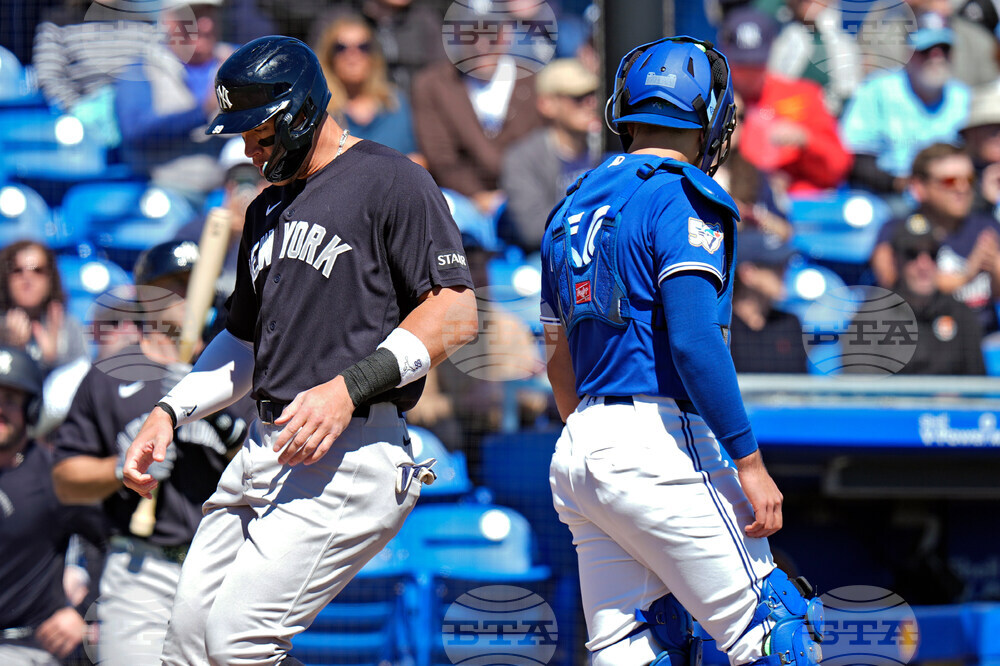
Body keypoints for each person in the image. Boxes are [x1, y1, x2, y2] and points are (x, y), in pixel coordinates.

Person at [121, 36, 477, 665]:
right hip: (265, 447)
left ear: (300, 112)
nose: (248, 151)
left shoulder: (392, 179)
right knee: (188, 646)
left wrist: (347, 388)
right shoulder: (265, 209)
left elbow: (456, 313)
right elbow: (243, 340)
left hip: (352, 448)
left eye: (258, 135)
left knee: (238, 643)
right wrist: (170, 411)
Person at [541, 36, 823, 665]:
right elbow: (695, 342)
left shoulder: (570, 203)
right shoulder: (683, 192)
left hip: (580, 445)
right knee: (779, 635)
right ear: (710, 118)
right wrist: (749, 462)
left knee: (635, 653)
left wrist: (598, 439)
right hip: (658, 442)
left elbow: (557, 359)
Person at [49, 246, 250, 666]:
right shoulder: (110, 374)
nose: (189, 294)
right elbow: (65, 480)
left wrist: (218, 418)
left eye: (196, 283)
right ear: (145, 294)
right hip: (142, 569)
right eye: (175, 284)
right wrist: (120, 465)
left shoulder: (235, 372)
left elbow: (269, 462)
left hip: (225, 566)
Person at [0, 346, 104, 665]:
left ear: (32, 409)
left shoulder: (53, 475)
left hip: (25, 646)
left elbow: (110, 544)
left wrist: (82, 612)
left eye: (10, 400)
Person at [719, 7, 851, 194]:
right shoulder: (714, 100)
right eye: (742, 65)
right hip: (732, 196)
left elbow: (838, 166)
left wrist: (806, 139)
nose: (749, 74)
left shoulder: (802, 95)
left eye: (756, 65)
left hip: (798, 200)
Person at [871, 142, 1000, 334]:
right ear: (919, 187)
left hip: (984, 337)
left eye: (969, 179)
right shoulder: (896, 232)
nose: (962, 188)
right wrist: (966, 276)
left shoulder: (987, 227)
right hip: (926, 340)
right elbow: (893, 282)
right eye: (949, 181)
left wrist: (996, 267)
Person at [840, 11, 970, 199]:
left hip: (949, 193)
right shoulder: (877, 91)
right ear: (908, 52)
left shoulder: (963, 97)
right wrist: (901, 184)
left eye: (944, 48)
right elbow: (855, 156)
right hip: (888, 194)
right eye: (926, 49)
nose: (937, 56)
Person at [114, 0, 232, 205]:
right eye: (195, 15)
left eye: (210, 14)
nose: (206, 25)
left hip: (231, 192)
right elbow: (135, 130)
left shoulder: (239, 60)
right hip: (163, 192)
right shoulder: (142, 69)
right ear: (168, 21)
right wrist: (203, 111)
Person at [412, 41, 543, 215]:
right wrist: (477, 196)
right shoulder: (434, 84)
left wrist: (515, 195)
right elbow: (442, 157)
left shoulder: (535, 81)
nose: (481, 44)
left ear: (506, 34)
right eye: (471, 34)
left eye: (492, 35)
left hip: (528, 199)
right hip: (462, 203)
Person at [500, 58, 601, 253]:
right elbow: (532, 229)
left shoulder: (606, 148)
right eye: (578, 97)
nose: (591, 103)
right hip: (548, 255)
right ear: (547, 104)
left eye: (593, 94)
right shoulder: (522, 158)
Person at [867, 218, 985, 375]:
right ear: (896, 260)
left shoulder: (961, 316)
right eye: (912, 254)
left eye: (932, 254)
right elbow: (859, 386)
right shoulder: (870, 319)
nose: (924, 265)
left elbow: (976, 384)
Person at [314, 13, 423, 163]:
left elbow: (417, 158)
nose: (353, 55)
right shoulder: (321, 112)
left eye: (363, 47)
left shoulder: (395, 102)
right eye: (341, 48)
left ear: (373, 55)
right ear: (329, 57)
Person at [0, 240, 87, 371]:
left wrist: (51, 360)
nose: (27, 278)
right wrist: (12, 350)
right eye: (17, 270)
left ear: (50, 279)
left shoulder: (68, 326)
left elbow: (82, 377)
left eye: (37, 270)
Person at [730, 230, 807, 373]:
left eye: (785, 265)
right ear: (747, 273)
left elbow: (801, 382)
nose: (784, 272)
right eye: (774, 265)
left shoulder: (789, 324)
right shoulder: (722, 327)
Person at [767, 0, 862, 115]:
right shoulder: (778, 34)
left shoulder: (843, 44)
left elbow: (849, 93)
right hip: (785, 116)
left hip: (827, 118)